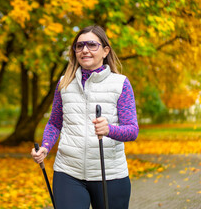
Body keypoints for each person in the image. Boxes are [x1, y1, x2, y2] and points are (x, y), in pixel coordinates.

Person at [31, 25, 138, 209]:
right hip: (68, 172)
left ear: (105, 51)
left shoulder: (120, 84)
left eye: (91, 45)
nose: (85, 50)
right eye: (79, 46)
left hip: (110, 174)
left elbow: (132, 130)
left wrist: (109, 129)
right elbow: (55, 123)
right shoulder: (64, 83)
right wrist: (45, 147)